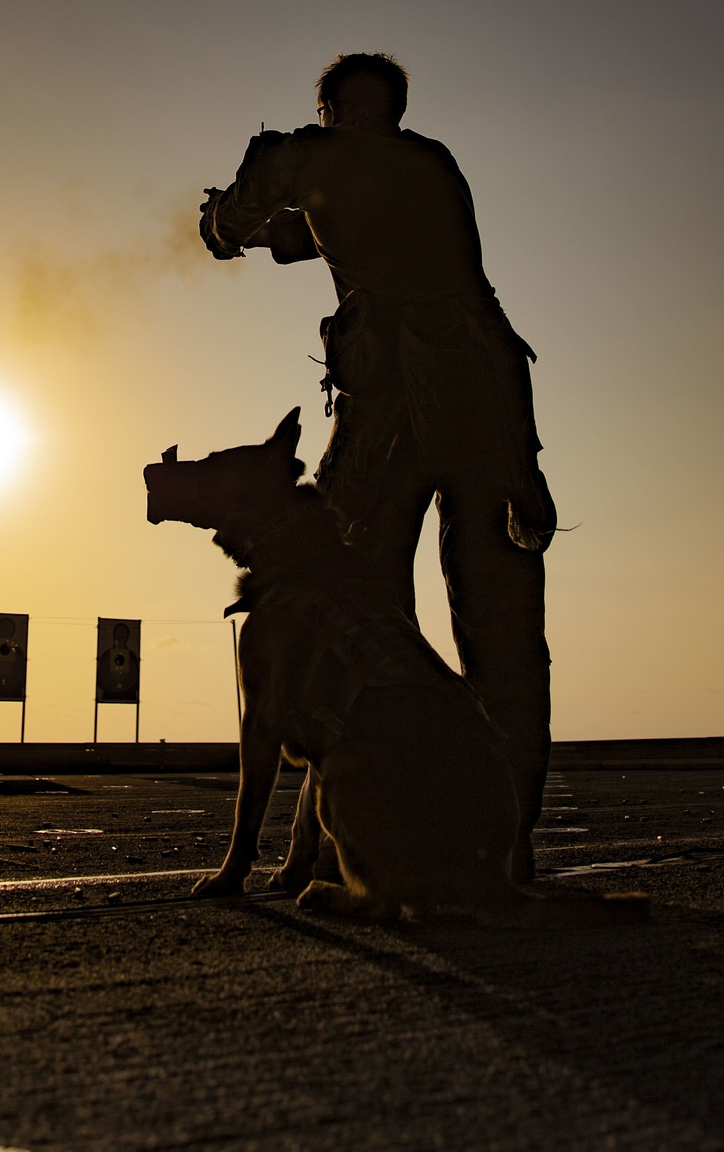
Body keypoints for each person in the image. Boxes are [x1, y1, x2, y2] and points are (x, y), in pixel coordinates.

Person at [200, 52, 556, 881]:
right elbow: (324, 232)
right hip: (489, 414)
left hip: (393, 408)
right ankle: (505, 847)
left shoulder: (308, 152)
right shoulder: (430, 164)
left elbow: (253, 213)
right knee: (502, 639)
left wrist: (221, 225)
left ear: (329, 109)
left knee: (347, 613)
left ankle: (333, 849)